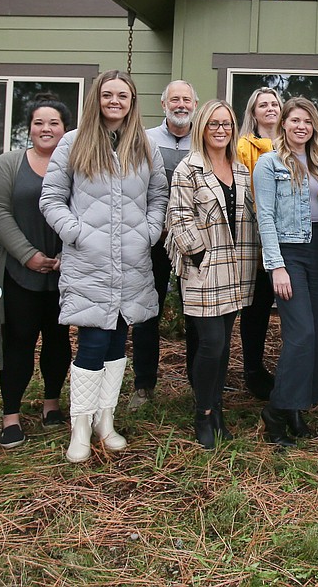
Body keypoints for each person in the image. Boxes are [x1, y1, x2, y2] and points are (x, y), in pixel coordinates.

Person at [40, 70, 167, 464]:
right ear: (97, 98)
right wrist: (77, 233)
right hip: (89, 263)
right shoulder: (73, 142)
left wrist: (148, 231)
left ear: (132, 102)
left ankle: (105, 421)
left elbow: (159, 194)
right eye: (108, 94)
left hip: (131, 263)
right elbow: (52, 198)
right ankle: (80, 425)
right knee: (93, 341)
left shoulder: (144, 145)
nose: (115, 101)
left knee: (117, 342)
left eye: (123, 96)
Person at [166, 100, 258, 449]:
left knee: (224, 346)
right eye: (213, 124)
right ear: (202, 128)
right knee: (211, 343)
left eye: (226, 124)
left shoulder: (242, 169)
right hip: (204, 269)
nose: (221, 130)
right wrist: (199, 252)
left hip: (237, 269)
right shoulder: (188, 169)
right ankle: (202, 412)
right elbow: (178, 217)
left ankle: (217, 409)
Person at [252, 97, 318, 447]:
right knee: (301, 333)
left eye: (307, 120)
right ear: (284, 125)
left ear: (314, 127)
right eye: (294, 120)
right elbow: (266, 217)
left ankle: (295, 407)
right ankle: (276, 409)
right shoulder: (268, 163)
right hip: (289, 252)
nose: (301, 126)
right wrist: (276, 265)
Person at [0, 93, 71, 449]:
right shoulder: (8, 164)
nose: (46, 128)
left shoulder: (74, 166)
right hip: (20, 273)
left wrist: (70, 254)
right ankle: (11, 416)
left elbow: (88, 210)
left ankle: (52, 404)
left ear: (65, 129)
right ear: (29, 127)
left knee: (58, 341)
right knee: (18, 342)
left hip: (65, 272)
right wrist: (28, 255)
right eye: (39, 122)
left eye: (53, 122)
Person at [131, 80, 199, 410]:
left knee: (198, 313)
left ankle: (199, 383)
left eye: (187, 99)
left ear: (195, 105)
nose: (181, 105)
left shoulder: (203, 141)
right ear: (163, 104)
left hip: (193, 242)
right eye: (175, 99)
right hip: (153, 241)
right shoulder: (144, 139)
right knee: (147, 313)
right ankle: (143, 386)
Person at [236, 86, 283, 400]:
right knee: (256, 308)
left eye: (274, 104)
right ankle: (252, 368)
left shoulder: (293, 142)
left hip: (289, 237)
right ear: (253, 113)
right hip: (255, 238)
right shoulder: (243, 147)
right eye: (262, 104)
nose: (270, 108)